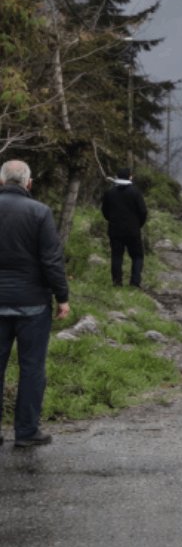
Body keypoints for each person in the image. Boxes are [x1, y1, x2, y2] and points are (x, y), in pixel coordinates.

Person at [0, 160, 70, 448]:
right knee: (31, 368)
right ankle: (27, 432)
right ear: (29, 183)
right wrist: (62, 297)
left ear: (2, 182)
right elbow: (51, 260)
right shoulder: (40, 212)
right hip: (32, 304)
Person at [101, 168, 149, 287]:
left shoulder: (110, 192)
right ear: (130, 177)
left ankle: (117, 282)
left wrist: (111, 220)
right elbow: (143, 211)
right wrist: (139, 224)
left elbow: (104, 211)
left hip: (115, 229)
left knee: (116, 256)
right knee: (137, 256)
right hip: (133, 230)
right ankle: (135, 282)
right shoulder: (135, 192)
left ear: (117, 176)